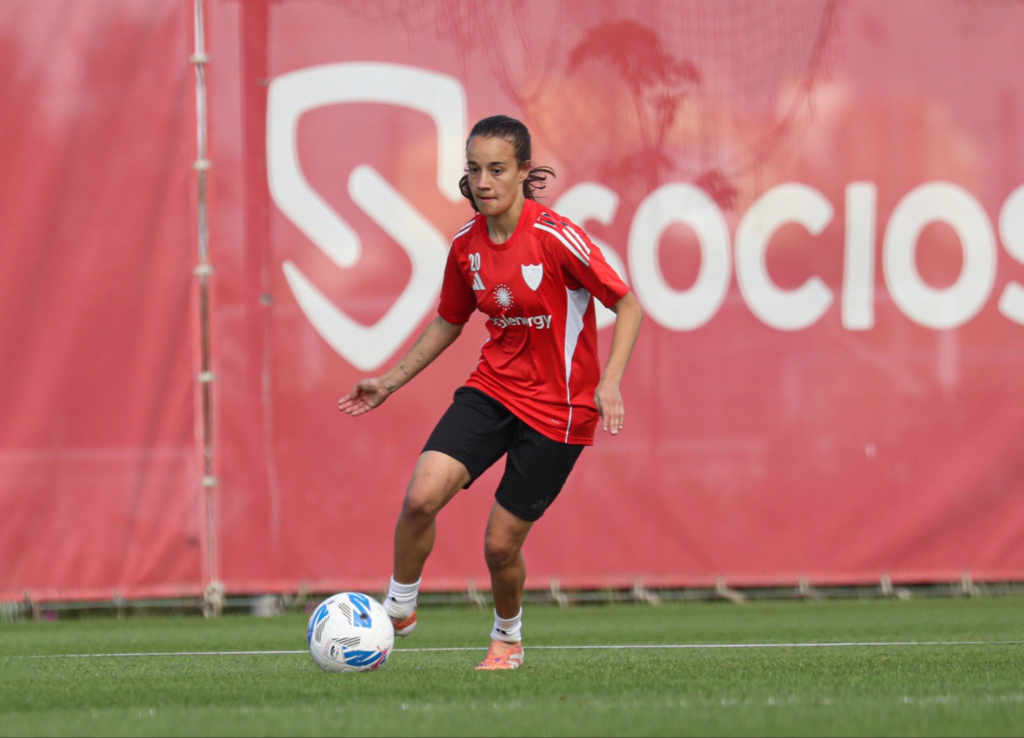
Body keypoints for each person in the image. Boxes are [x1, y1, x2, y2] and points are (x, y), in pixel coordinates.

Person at [338, 115, 642, 670]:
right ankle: (398, 608)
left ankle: (507, 639)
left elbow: (627, 303)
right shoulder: (465, 246)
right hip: (493, 389)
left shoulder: (555, 236)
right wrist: (388, 381)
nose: (483, 181)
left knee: (500, 546)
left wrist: (611, 381)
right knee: (420, 497)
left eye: (497, 169)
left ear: (525, 173)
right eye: (474, 169)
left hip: (560, 409)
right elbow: (449, 321)